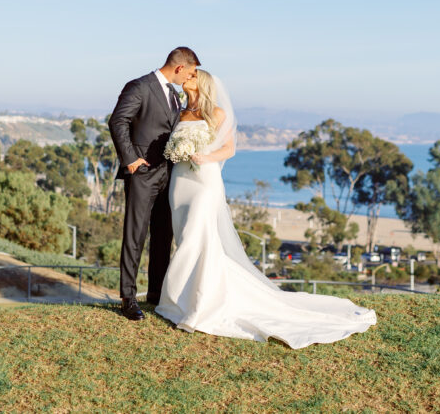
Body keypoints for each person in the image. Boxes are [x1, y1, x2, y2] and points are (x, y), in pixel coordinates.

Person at [155, 69, 377, 348]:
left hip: (204, 180)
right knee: (184, 234)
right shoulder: (181, 111)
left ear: (201, 82)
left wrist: (205, 156)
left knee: (197, 238)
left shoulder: (217, 113)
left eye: (192, 74)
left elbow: (229, 149)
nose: (186, 76)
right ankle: (180, 299)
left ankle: (196, 305)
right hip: (181, 181)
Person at [108, 46, 200, 321]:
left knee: (163, 236)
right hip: (142, 173)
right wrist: (131, 160)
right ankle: (128, 298)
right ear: (180, 68)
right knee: (135, 236)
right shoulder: (139, 86)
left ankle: (157, 295)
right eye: (191, 73)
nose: (190, 78)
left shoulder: (175, 94)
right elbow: (118, 121)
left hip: (169, 174)